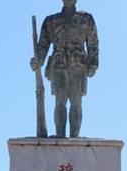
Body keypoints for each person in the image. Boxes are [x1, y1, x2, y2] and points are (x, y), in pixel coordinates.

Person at [30, 0, 99, 138]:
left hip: (78, 65)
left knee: (76, 102)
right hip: (58, 66)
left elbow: (93, 42)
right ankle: (60, 135)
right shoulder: (52, 21)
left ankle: (74, 136)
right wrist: (38, 60)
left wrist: (93, 63)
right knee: (60, 102)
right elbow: (43, 45)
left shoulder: (86, 19)